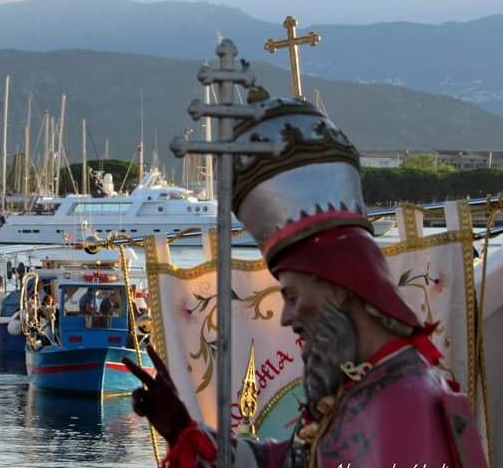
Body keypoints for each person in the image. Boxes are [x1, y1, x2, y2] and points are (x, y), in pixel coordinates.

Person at [123, 95, 487, 467]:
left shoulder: (401, 403)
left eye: (293, 296)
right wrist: (185, 431)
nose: (286, 317)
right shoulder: (361, 393)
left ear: (337, 286)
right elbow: (288, 460)